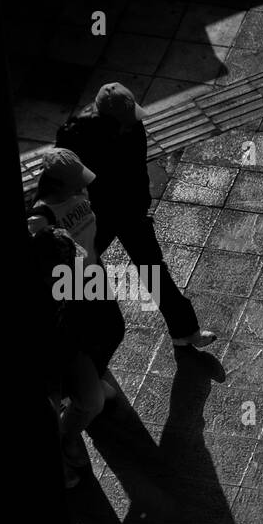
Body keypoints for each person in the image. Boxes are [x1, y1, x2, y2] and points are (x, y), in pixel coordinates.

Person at [56, 82, 215, 349]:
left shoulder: (130, 126)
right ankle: (68, 336)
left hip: (128, 209)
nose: (133, 123)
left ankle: (185, 331)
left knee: (152, 267)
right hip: (95, 214)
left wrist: (140, 203)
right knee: (79, 271)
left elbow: (137, 169)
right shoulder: (76, 136)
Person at [29, 160, 127, 488]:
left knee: (113, 328)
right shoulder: (40, 219)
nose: (82, 186)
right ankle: (61, 443)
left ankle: (86, 389)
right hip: (62, 317)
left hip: (86, 290)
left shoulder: (79, 195)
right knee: (75, 390)